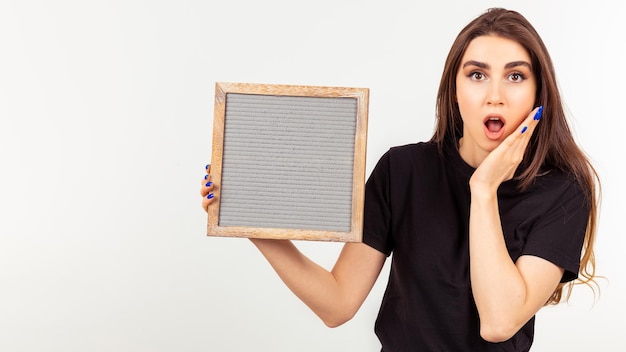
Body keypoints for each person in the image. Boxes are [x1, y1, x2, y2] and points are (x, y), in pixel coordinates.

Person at [200, 7, 600, 351]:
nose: (494, 95)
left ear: (537, 94)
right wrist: (248, 220)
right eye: (477, 75)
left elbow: (498, 323)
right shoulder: (402, 171)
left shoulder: (563, 194)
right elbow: (338, 303)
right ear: (455, 90)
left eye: (515, 77)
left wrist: (483, 189)